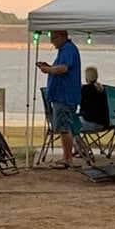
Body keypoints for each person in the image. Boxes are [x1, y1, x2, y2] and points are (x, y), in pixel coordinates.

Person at [37, 28, 82, 166]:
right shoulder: (65, 50)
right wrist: (50, 67)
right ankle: (66, 157)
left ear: (63, 36)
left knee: (64, 128)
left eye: (54, 38)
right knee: (63, 127)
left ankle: (67, 158)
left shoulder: (68, 49)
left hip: (64, 96)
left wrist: (48, 70)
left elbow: (64, 68)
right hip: (61, 95)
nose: (52, 41)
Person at [80, 66, 110, 131]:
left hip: (90, 123)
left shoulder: (85, 89)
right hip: (103, 124)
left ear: (86, 78)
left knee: (68, 124)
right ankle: (79, 141)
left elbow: (79, 104)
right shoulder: (101, 88)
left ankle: (80, 141)